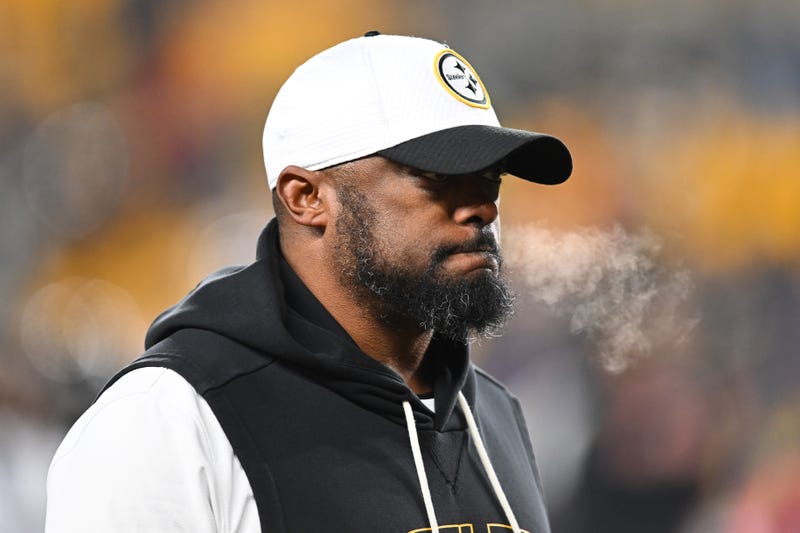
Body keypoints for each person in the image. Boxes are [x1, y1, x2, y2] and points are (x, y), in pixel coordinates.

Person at [45, 32, 572, 533]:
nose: (483, 207)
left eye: (490, 177)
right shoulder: (168, 421)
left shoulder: (495, 414)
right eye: (435, 177)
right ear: (306, 197)